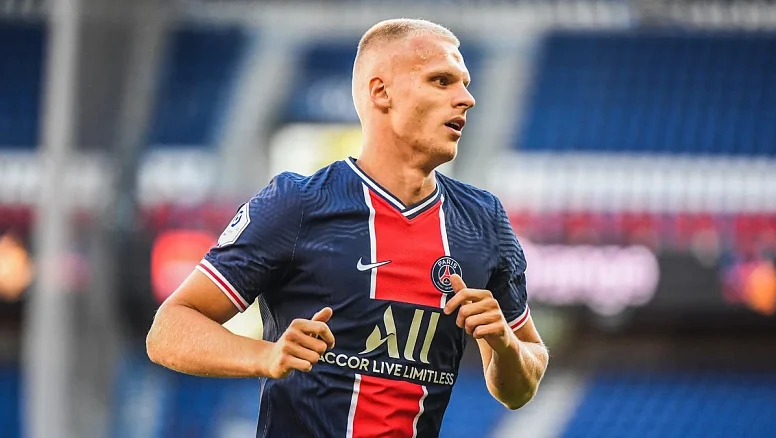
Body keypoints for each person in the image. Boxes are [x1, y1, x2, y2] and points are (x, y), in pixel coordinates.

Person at [146, 18, 549, 438]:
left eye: (465, 84)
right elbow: (169, 330)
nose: (466, 99)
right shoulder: (297, 204)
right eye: (441, 81)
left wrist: (505, 345)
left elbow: (521, 386)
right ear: (381, 92)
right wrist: (266, 356)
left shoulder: (484, 219)